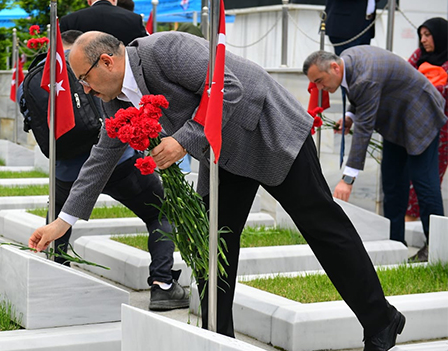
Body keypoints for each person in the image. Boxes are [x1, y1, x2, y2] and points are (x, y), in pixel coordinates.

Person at [30, 31, 405, 351]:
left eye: (83, 77)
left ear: (107, 62)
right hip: (223, 156)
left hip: (266, 131)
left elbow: (229, 87)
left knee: (323, 229)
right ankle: (218, 337)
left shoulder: (166, 49)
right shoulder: (111, 99)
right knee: (214, 245)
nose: (83, 88)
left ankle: (380, 320)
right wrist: (62, 222)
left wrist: (181, 141)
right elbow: (102, 155)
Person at [19, 30, 188, 312]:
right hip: (121, 163)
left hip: (66, 170)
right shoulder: (100, 73)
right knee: (159, 212)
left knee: (59, 224)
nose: (84, 85)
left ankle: (57, 276)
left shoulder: (38, 74)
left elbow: (30, 119)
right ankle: (162, 285)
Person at [304, 47, 447, 264]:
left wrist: (348, 179)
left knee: (424, 184)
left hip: (420, 116)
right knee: (391, 183)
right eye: (315, 83)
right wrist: (351, 115)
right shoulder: (347, 63)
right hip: (395, 121)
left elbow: (364, 129)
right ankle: (396, 244)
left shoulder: (364, 76)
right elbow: (360, 95)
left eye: (320, 80)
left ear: (334, 67)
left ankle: (439, 249)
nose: (319, 87)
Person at [405, 18, 448, 236]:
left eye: (428, 35)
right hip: (415, 128)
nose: (423, 40)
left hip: (441, 133)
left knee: (428, 184)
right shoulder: (417, 56)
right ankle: (410, 237)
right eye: (421, 35)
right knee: (409, 184)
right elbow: (404, 76)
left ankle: (432, 241)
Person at [60, 0, 147, 46]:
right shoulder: (134, 19)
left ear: (89, 1)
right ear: (114, 0)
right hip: (121, 76)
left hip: (80, 76)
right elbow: (143, 48)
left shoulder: (69, 20)